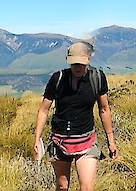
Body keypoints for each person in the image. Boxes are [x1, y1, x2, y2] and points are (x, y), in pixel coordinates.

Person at [33, 41, 119, 191]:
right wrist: (37, 139)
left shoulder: (97, 78)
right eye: (74, 64)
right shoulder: (58, 79)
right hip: (60, 142)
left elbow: (104, 109)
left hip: (86, 141)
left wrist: (111, 141)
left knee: (87, 187)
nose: (77, 67)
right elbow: (43, 110)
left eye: (81, 63)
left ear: (88, 61)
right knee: (62, 186)